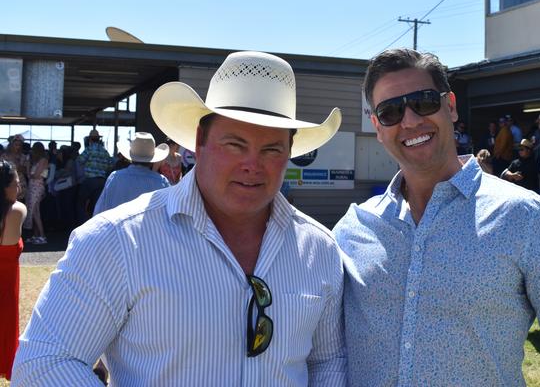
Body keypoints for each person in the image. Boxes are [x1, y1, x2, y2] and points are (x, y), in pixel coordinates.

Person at [13, 51, 346, 386]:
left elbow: (327, 362)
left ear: (289, 152)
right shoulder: (116, 240)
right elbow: (45, 362)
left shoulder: (319, 249)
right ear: (199, 142)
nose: (252, 165)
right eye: (235, 144)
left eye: (271, 149)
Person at [333, 48, 540, 386]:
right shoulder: (352, 230)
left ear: (450, 106)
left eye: (423, 101)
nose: (409, 121)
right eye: (391, 111)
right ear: (377, 127)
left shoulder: (523, 217)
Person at [94, 132, 170, 215]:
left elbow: (99, 212)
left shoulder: (115, 177)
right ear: (152, 160)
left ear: (131, 158)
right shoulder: (161, 182)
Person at [0, 160, 27, 380]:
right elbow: (22, 208)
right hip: (5, 292)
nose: (19, 188)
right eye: (16, 184)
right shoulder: (16, 212)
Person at [76, 129, 114, 223]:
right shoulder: (105, 151)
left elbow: (80, 160)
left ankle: (83, 223)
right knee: (96, 204)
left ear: (90, 139)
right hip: (101, 181)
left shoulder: (89, 149)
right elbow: (110, 165)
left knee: (80, 202)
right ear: (98, 139)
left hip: (90, 180)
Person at [24, 142, 49, 244]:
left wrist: (28, 168)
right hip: (34, 186)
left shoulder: (43, 160)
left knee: (35, 211)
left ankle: (42, 235)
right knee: (34, 211)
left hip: (37, 186)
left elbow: (35, 175)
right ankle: (36, 235)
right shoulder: (37, 161)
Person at [4, 135, 29, 202]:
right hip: (7, 183)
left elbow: (27, 171)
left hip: (20, 185)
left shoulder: (24, 157)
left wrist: (18, 165)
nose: (18, 147)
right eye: (16, 144)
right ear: (11, 145)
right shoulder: (4, 156)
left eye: (20, 145)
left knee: (20, 203)